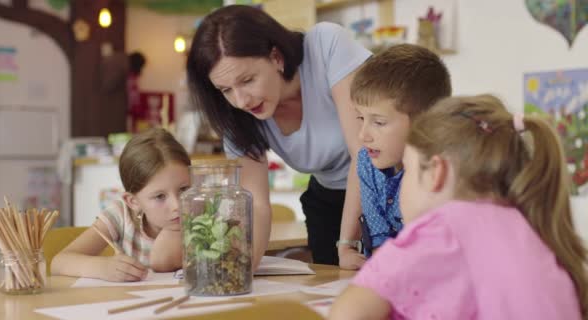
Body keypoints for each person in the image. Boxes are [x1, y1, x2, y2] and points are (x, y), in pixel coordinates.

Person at [329, 94, 587, 319]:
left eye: (408, 169)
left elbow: (348, 314)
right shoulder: (527, 224)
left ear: (436, 172)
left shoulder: (441, 230)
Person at [186, 5, 371, 267]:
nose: (240, 100)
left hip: (385, 188)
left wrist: (347, 243)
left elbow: (363, 154)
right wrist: (240, 268)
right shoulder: (236, 117)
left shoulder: (326, 45)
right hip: (327, 202)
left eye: (248, 80)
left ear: (276, 57)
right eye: (226, 89)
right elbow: (256, 205)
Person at [351, 44, 451, 258]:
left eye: (378, 122)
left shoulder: (441, 172)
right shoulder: (366, 161)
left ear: (423, 123)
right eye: (360, 118)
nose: (363, 135)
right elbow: (377, 235)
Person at [51, 128, 191, 281]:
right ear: (133, 201)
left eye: (184, 189)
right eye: (159, 196)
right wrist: (102, 267)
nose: (177, 205)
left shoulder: (204, 214)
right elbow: (59, 262)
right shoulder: (121, 215)